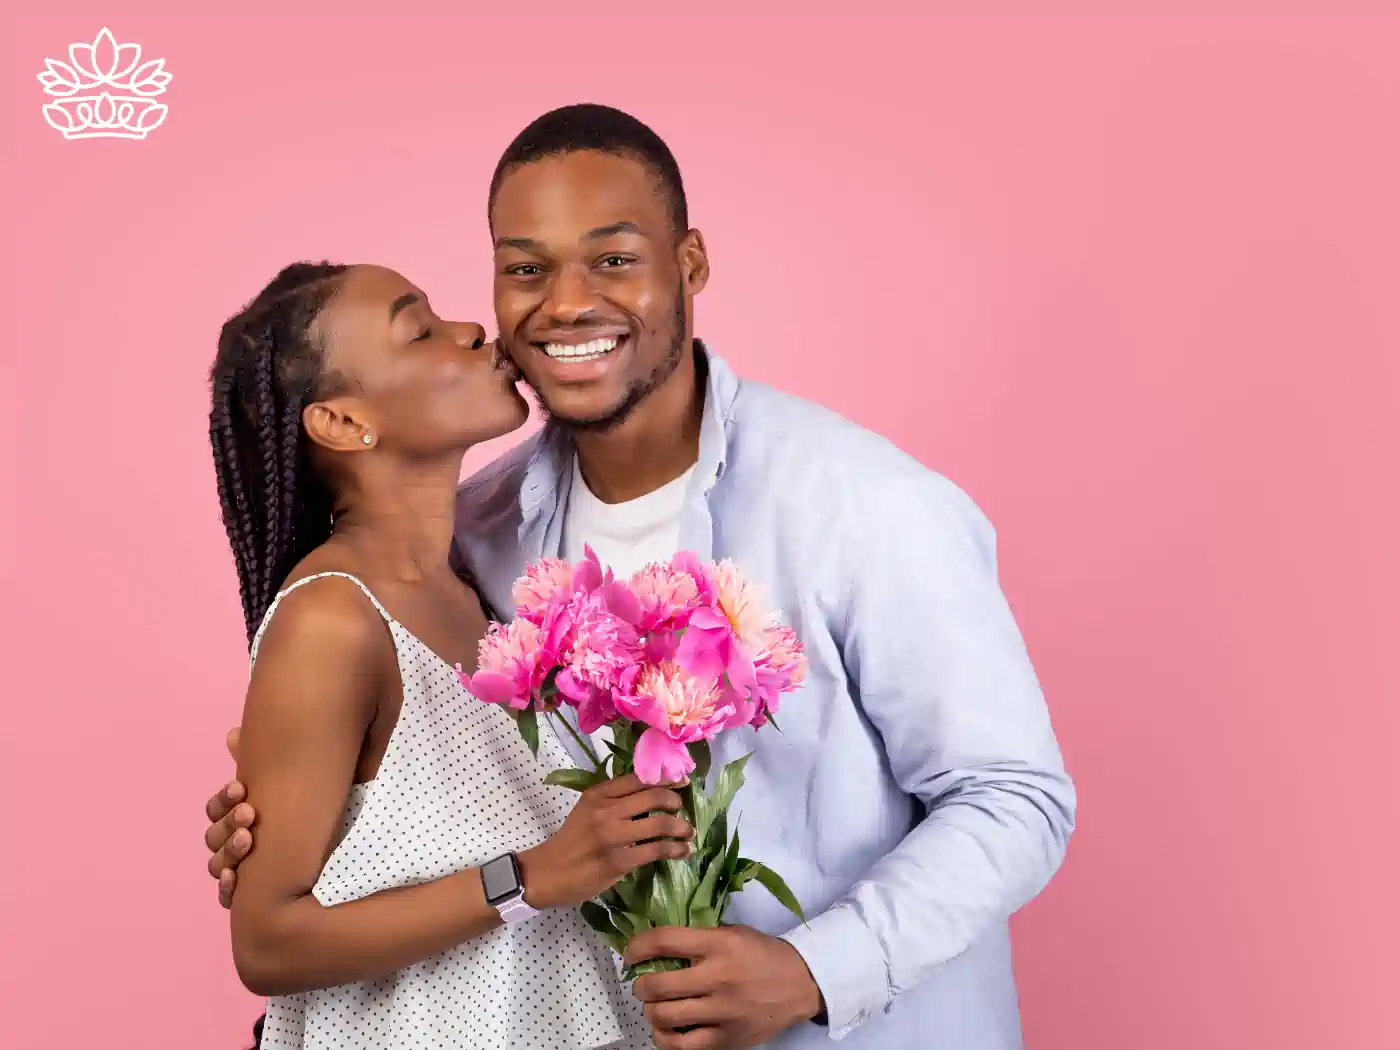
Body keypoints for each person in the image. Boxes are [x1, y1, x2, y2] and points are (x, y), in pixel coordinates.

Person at [206, 104, 1077, 1050]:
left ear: (690, 265)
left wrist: (813, 972)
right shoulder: (476, 537)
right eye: (526, 269)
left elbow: (1012, 797)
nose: (568, 303)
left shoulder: (864, 505)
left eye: (614, 259)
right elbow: (402, 815)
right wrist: (304, 831)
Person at [206, 260, 694, 1049]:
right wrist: (532, 875)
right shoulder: (333, 618)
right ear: (341, 423)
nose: (471, 332)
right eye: (419, 331)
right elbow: (266, 941)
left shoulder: (478, 585)